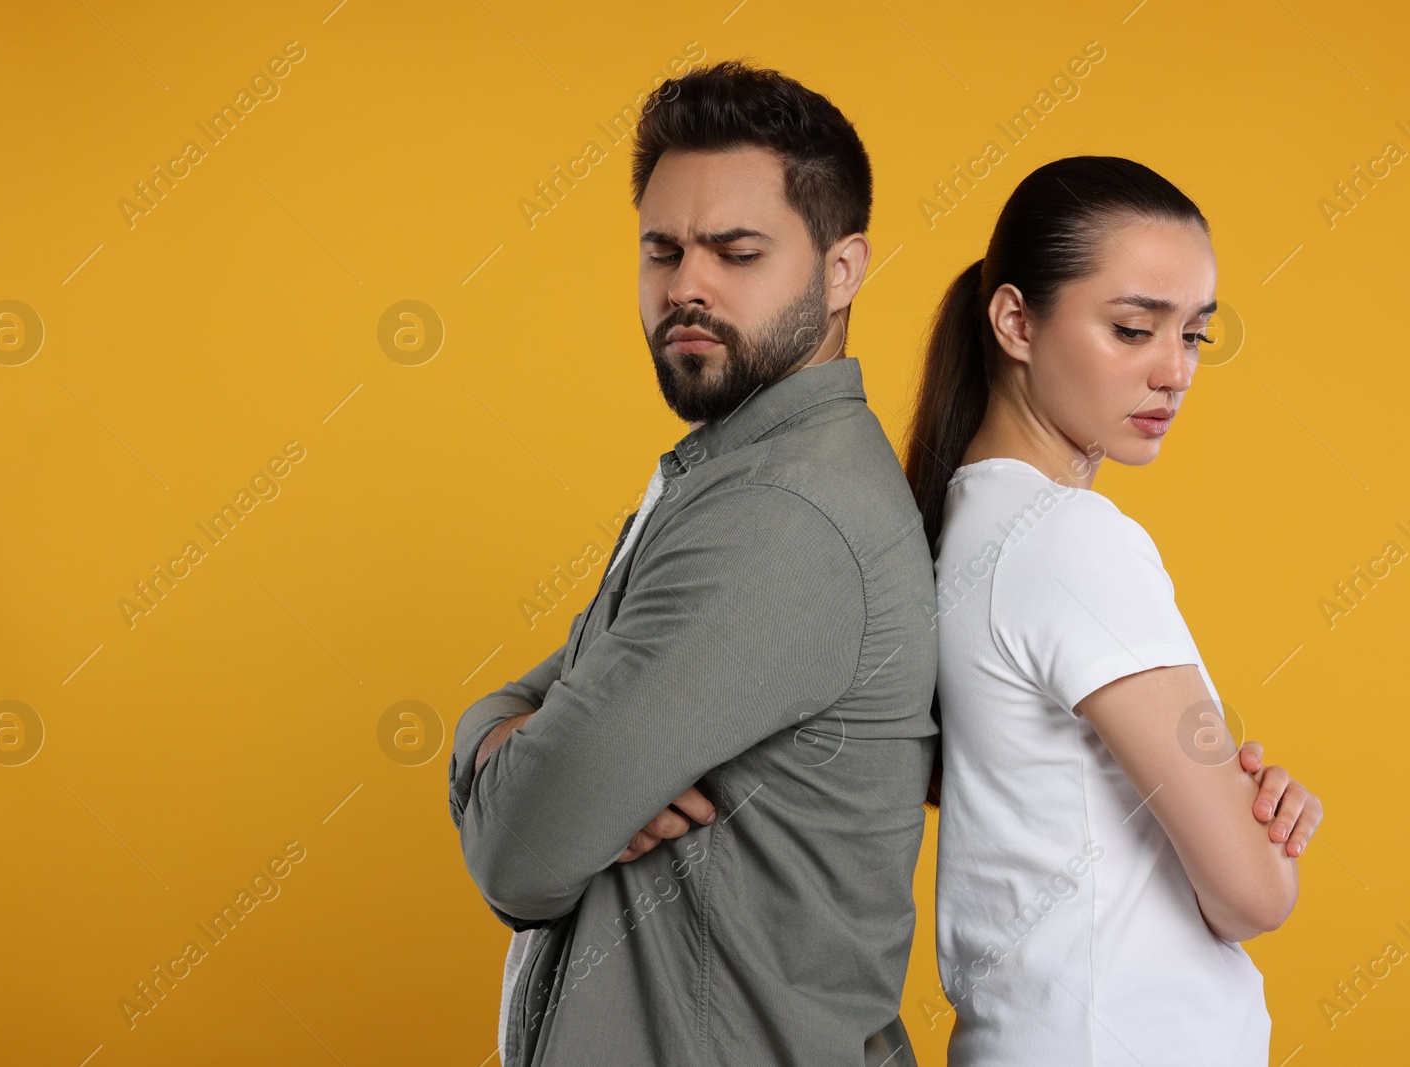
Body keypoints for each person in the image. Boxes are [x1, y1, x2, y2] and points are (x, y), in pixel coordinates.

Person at [448, 61, 939, 1066]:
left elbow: (520, 849)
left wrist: (513, 759)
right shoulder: (734, 477)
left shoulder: (781, 516)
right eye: (662, 250)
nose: (686, 287)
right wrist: (500, 738)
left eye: (737, 251)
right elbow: (536, 727)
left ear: (842, 270)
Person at [905, 155, 1325, 1065]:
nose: (1174, 372)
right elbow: (1254, 895)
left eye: (1195, 336)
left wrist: (1237, 809)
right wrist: (1266, 842)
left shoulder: (963, 528)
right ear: (1015, 320)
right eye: (1134, 329)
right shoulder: (1070, 541)